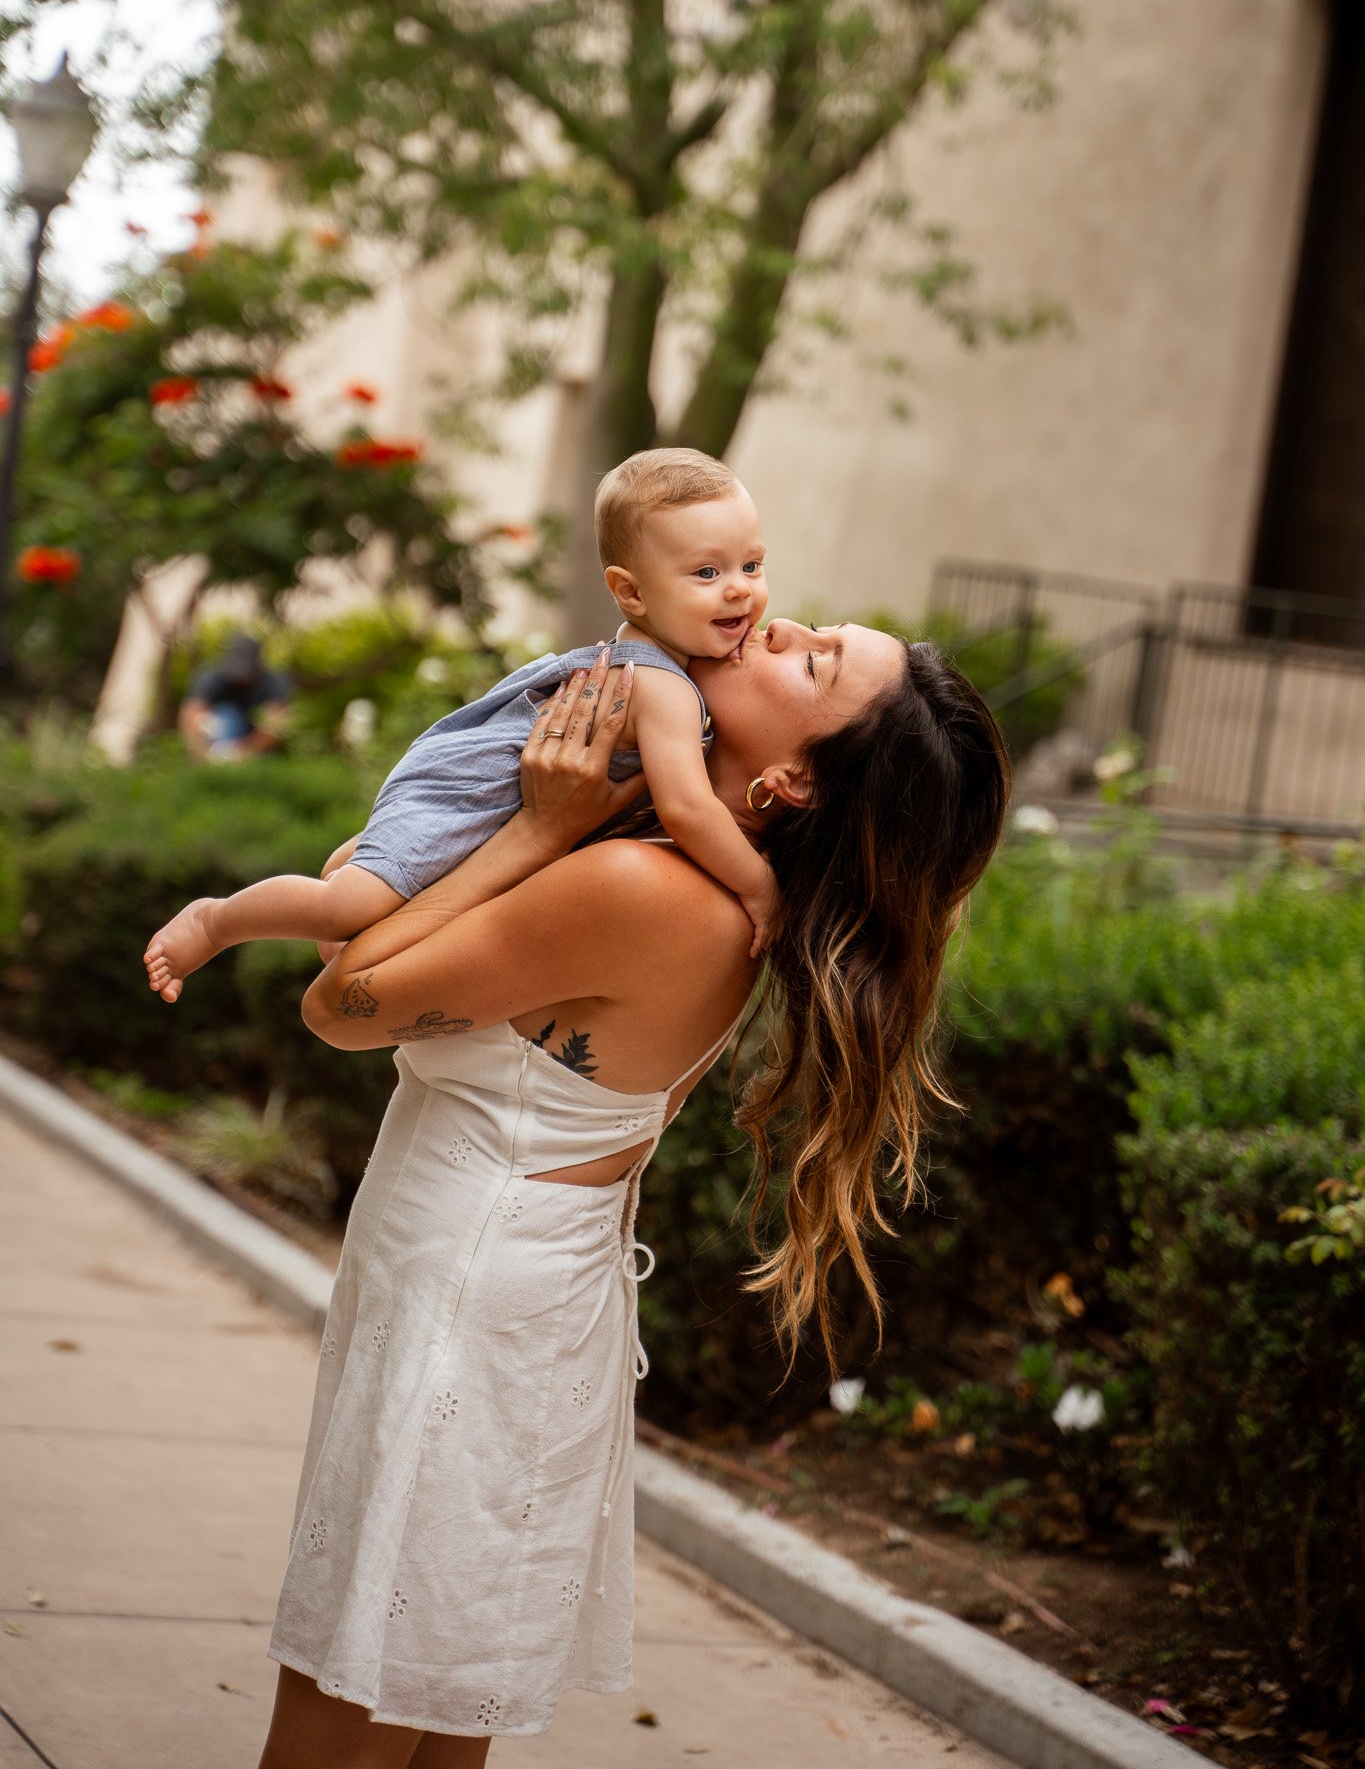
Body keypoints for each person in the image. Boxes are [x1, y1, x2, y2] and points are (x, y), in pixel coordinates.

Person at [254, 619, 1013, 1768]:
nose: (778, 622)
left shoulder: (641, 883)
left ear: (791, 779)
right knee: (432, 1708)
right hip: (520, 1291)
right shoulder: (698, 874)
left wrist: (537, 826)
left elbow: (341, 1001)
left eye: (812, 663)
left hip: (470, 1296)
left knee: (344, 1714)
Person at [144, 450, 777, 1003]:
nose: (739, 591)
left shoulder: (651, 660)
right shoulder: (665, 686)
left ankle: (337, 874)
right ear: (631, 593)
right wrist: (760, 886)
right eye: (706, 573)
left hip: (467, 789)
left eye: (751, 566)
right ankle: (216, 922)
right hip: (463, 794)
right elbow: (689, 809)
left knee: (348, 926)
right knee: (345, 909)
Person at [179, 633, 291, 762]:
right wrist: (204, 753)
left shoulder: (273, 682)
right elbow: (190, 715)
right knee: (228, 716)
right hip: (216, 736)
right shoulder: (209, 677)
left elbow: (274, 723)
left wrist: (244, 753)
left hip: (251, 738)